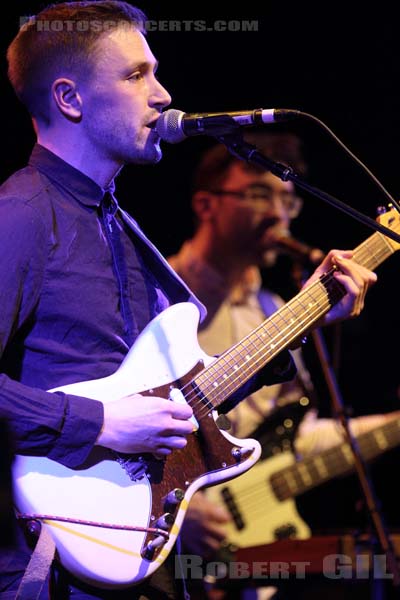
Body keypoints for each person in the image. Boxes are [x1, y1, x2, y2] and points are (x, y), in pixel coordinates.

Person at [0, 2, 377, 599]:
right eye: (135, 75)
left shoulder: (120, 227)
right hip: (39, 567)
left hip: (128, 552)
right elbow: (120, 422)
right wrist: (102, 423)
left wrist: (303, 317)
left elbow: (183, 400)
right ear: (70, 99)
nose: (162, 93)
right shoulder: (20, 215)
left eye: (155, 72)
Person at [168, 132, 399, 595]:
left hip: (237, 557)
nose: (277, 215)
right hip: (154, 543)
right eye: (258, 194)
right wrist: (178, 513)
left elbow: (295, 434)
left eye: (288, 202)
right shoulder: (159, 299)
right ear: (205, 204)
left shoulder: (274, 311)